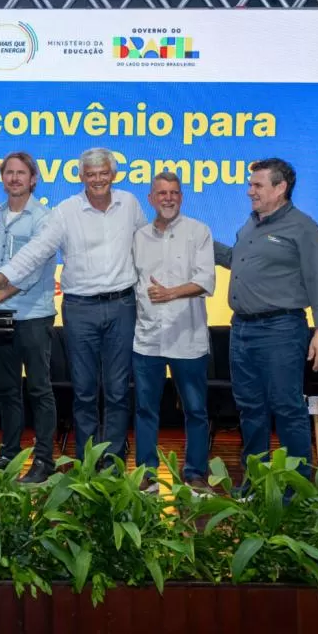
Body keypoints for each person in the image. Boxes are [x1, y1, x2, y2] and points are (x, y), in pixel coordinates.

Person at [0, 147, 146, 467]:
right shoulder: (66, 211)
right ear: (81, 177)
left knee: (118, 390)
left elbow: (145, 247)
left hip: (122, 305)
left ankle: (112, 460)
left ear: (113, 175)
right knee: (84, 392)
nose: (98, 180)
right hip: (80, 308)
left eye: (103, 173)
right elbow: (37, 251)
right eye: (91, 174)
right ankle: (86, 461)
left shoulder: (130, 204)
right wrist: (0, 278)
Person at [214, 157, 318, 480]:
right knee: (250, 409)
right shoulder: (251, 225)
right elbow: (238, 260)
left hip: (280, 329)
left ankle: (296, 488)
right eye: (250, 184)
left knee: (287, 408)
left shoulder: (302, 227)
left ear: (280, 187)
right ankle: (256, 483)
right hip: (242, 329)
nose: (249, 191)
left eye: (257, 185)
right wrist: (200, 241)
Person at [0, 152, 58, 483]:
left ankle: (44, 460)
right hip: (1, 317)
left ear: (33, 179)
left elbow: (31, 272)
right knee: (7, 389)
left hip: (33, 314)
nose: (15, 178)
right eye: (9, 173)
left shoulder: (45, 218)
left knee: (39, 389)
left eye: (21, 173)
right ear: (2, 178)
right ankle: (9, 453)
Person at [131, 171, 215, 493]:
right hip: (147, 339)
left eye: (174, 193)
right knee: (145, 410)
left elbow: (206, 280)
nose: (168, 198)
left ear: (181, 197)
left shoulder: (198, 231)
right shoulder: (138, 237)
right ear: (151, 199)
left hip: (187, 338)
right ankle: (147, 474)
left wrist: (171, 293)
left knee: (195, 410)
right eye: (162, 193)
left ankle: (195, 474)